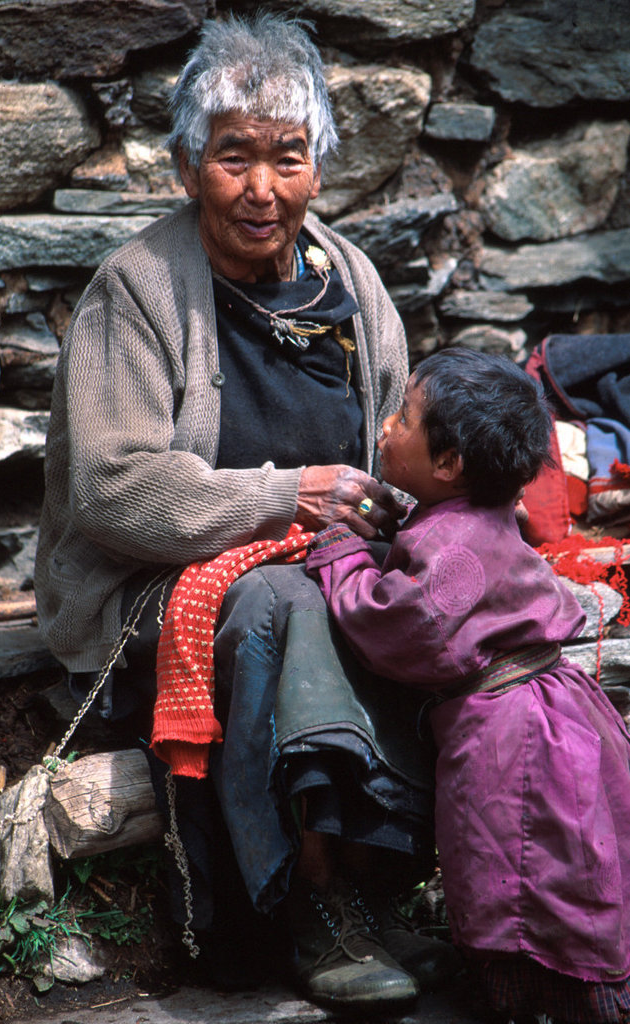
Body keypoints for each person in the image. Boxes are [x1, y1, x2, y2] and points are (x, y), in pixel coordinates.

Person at [34, 11, 460, 1015]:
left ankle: (380, 881)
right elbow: (111, 488)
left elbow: (392, 446)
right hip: (148, 589)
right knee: (279, 601)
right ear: (189, 166)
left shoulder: (351, 282)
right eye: (232, 157)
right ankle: (301, 899)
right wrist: (288, 495)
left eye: (287, 158)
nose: (260, 189)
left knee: (388, 591)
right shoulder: (137, 290)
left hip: (313, 565)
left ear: (318, 169)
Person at [305, 346, 630, 1024]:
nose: (386, 427)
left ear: (450, 465)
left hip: (512, 736)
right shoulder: (470, 522)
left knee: (521, 862)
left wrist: (339, 559)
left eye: (402, 417)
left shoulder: (452, 547)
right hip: (551, 715)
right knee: (568, 856)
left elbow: (405, 626)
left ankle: (540, 1000)